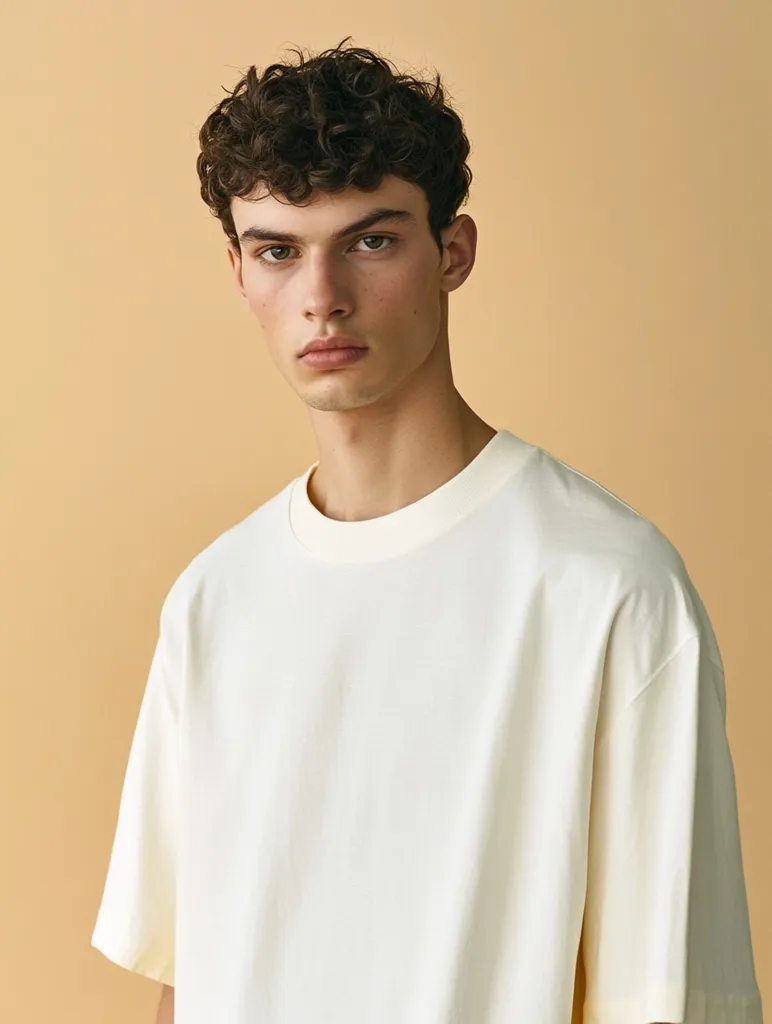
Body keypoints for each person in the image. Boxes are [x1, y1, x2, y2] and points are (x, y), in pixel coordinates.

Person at [90, 38, 763, 1024]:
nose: (321, 295)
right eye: (279, 249)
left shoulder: (606, 590)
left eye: (370, 240)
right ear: (238, 271)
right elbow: (189, 977)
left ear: (452, 250)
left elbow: (667, 997)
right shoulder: (215, 598)